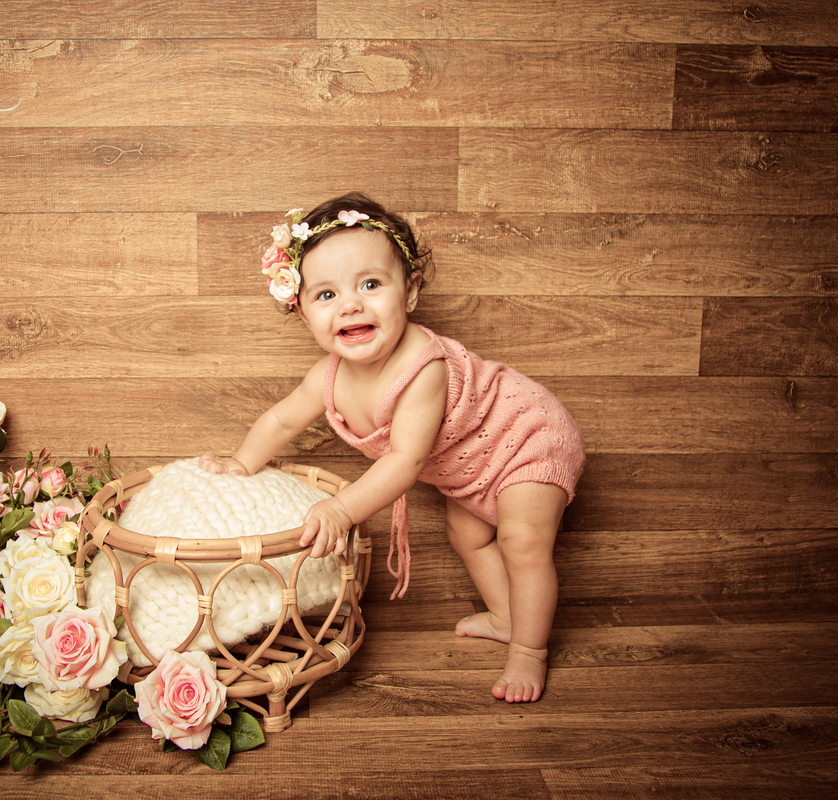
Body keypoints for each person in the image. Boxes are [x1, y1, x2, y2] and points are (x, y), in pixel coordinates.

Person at [199, 192, 585, 703]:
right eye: (326, 295)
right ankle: (507, 617)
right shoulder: (328, 376)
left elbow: (406, 461)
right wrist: (241, 463)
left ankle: (530, 652)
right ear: (301, 313)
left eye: (371, 284)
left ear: (411, 291)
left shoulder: (424, 368)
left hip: (527, 438)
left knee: (523, 542)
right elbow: (281, 418)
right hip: (472, 467)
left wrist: (341, 508)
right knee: (468, 535)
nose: (351, 304)